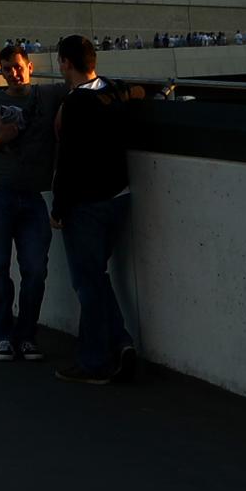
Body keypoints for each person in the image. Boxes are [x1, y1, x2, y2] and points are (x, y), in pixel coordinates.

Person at [49, 35, 149, 385]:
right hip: (118, 197)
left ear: (65, 63)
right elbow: (137, 93)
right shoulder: (114, 90)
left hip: (86, 205)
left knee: (87, 282)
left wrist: (58, 208)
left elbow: (70, 162)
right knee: (97, 276)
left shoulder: (76, 105)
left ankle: (94, 361)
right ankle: (120, 342)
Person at [0, 43, 59, 360]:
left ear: (30, 66)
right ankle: (4, 335)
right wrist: (1, 139)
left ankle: (26, 334)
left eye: (17, 66)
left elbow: (79, 88)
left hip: (31, 195)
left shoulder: (47, 97)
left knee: (35, 269)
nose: (13, 73)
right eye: (7, 68)